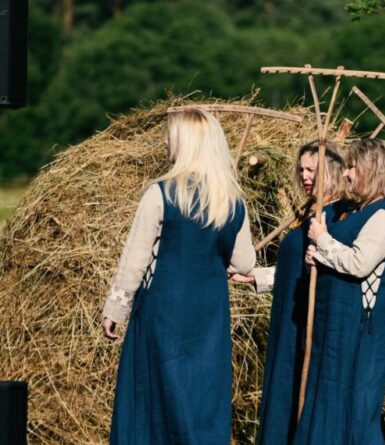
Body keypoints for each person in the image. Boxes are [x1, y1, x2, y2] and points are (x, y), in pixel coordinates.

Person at [100, 108, 256, 444]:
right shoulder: (232, 201)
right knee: (199, 403)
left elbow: (135, 260)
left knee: (154, 402)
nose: (166, 140)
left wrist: (116, 310)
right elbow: (245, 262)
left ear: (186, 142)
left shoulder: (160, 193)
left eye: (171, 134)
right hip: (210, 319)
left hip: (163, 315)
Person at [229, 140, 350, 445]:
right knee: (283, 392)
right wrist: (256, 277)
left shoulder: (339, 218)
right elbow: (294, 270)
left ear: (332, 171)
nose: (306, 176)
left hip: (309, 324)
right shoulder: (310, 214)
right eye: (302, 170)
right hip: (289, 319)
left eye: (313, 170)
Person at [295, 138, 385, 445]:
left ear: (370, 169)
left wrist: (323, 241)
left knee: (355, 415)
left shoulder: (383, 216)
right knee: (329, 407)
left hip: (360, 333)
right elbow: (339, 262)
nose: (346, 175)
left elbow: (359, 263)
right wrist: (316, 258)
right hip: (336, 330)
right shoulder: (358, 212)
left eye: (352, 167)